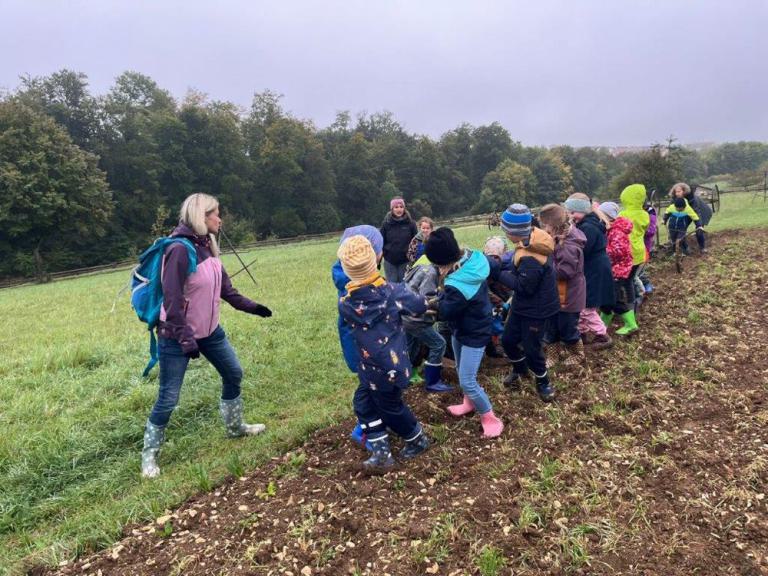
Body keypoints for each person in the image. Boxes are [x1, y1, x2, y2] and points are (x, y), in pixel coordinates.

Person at [141, 193, 272, 479]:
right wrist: (186, 339)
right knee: (169, 397)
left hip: (210, 333)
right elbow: (172, 301)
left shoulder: (208, 246)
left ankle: (235, 427)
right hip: (176, 337)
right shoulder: (178, 250)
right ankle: (149, 456)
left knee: (233, 373)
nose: (219, 219)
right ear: (202, 216)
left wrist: (254, 308)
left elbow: (226, 290)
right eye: (215, 214)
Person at [338, 235, 431, 473]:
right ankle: (383, 450)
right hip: (392, 365)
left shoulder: (346, 303)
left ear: (346, 270)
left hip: (373, 368)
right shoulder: (393, 292)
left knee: (388, 408)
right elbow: (419, 304)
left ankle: (415, 439)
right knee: (369, 403)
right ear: (378, 258)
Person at [426, 227, 504, 437]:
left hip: (474, 334)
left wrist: (431, 306)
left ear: (443, 262)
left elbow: (447, 311)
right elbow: (494, 265)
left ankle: (489, 416)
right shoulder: (474, 258)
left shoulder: (456, 285)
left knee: (467, 380)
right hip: (463, 328)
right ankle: (468, 402)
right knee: (462, 370)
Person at [490, 204, 560, 403]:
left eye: (506, 230)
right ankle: (520, 370)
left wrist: (497, 273)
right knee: (509, 340)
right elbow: (515, 260)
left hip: (537, 308)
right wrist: (500, 262)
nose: (505, 233)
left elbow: (523, 286)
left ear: (515, 232)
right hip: (523, 305)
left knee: (532, 348)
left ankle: (543, 381)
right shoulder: (529, 239)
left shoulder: (531, 257)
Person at [332, 225, 384, 448]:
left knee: (374, 388)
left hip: (364, 347)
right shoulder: (356, 290)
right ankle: (363, 431)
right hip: (363, 350)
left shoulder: (350, 278)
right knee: (369, 390)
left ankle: (373, 424)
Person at [537, 203, 587, 369]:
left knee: (567, 327)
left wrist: (544, 267)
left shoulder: (569, 246)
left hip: (570, 296)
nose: (544, 231)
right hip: (556, 295)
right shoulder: (559, 240)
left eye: (546, 228)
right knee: (551, 326)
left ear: (555, 227)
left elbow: (564, 273)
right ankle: (553, 354)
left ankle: (577, 354)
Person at [564, 193, 614, 350]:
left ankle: (602, 335)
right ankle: (582, 333)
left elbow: (582, 250)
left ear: (584, 210)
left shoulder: (588, 227)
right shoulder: (587, 223)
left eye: (574, 213)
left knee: (587, 305)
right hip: (593, 267)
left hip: (594, 269)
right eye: (569, 213)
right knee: (583, 303)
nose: (571, 216)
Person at [402, 252, 454, 393]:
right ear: (445, 266)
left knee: (410, 346)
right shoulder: (431, 274)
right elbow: (426, 301)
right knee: (439, 344)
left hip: (405, 316)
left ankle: (405, 377)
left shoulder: (423, 266)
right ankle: (433, 382)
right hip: (415, 319)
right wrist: (442, 303)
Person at [596, 202, 636, 336]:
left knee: (614, 298)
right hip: (613, 268)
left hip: (617, 270)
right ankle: (602, 325)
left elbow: (620, 251)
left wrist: (601, 250)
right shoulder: (611, 229)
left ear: (607, 216)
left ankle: (631, 324)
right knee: (606, 297)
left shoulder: (617, 231)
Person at [615, 184, 650, 336]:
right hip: (639, 252)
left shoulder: (623, 214)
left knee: (619, 284)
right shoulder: (644, 214)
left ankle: (621, 312)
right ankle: (632, 307)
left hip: (627, 253)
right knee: (629, 281)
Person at [483, 236, 513, 359]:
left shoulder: (508, 263)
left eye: (497, 258)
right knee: (493, 319)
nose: (494, 260)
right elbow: (485, 290)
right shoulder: (482, 267)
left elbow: (508, 283)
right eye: (492, 257)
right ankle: (494, 348)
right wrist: (499, 302)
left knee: (505, 318)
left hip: (502, 293)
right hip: (488, 299)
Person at [380, 197, 418, 282]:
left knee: (405, 287)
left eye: (401, 207)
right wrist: (385, 253)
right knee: (392, 288)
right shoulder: (386, 224)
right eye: (396, 207)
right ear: (392, 209)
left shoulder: (411, 223)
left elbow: (416, 241)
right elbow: (381, 241)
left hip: (406, 261)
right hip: (390, 261)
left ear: (404, 208)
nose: (399, 209)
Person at [670, 183, 708, 254]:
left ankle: (702, 247)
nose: (677, 194)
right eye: (676, 192)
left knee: (699, 230)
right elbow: (672, 212)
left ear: (684, 191)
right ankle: (686, 248)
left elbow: (696, 213)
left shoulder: (692, 199)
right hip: (685, 214)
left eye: (679, 192)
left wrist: (699, 225)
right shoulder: (674, 200)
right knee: (680, 230)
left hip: (699, 211)